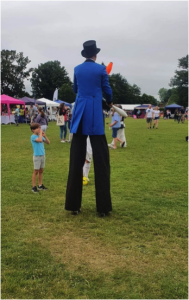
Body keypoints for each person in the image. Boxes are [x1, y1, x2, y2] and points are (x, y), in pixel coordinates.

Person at [65, 40, 112, 217]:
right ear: (96, 55)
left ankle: (73, 206)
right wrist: (109, 101)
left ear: (85, 54)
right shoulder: (101, 69)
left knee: (75, 160)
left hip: (79, 113)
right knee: (101, 161)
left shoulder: (77, 69)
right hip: (94, 116)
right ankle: (103, 208)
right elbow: (107, 90)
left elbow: (76, 88)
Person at [30, 123, 50, 193]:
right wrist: (41, 134)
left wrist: (45, 136)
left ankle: (40, 185)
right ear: (33, 130)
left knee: (41, 170)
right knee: (36, 171)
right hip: (37, 156)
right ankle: (33, 187)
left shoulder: (40, 136)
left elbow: (48, 142)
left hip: (42, 155)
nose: (39, 129)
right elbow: (40, 140)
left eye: (39, 128)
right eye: (37, 128)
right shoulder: (33, 137)